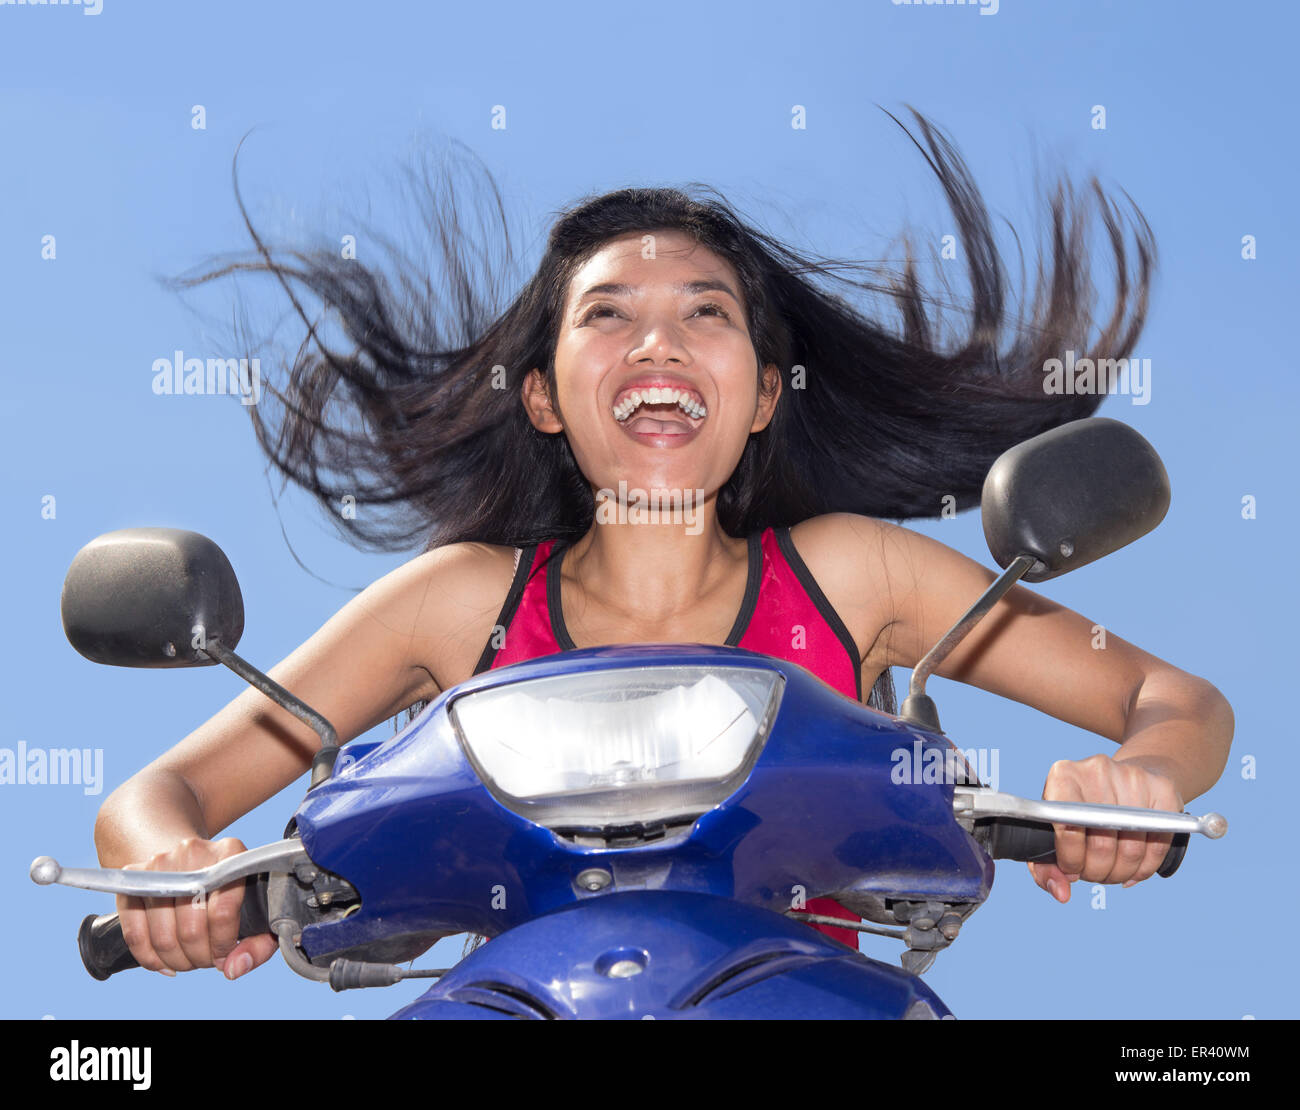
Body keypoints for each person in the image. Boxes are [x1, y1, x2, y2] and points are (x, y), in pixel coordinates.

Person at [94, 108, 1234, 981]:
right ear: (542, 397)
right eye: (606, 313)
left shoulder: (851, 573)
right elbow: (160, 794)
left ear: (758, 398)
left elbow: (1176, 700)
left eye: (706, 312)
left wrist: (1131, 781)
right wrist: (169, 871)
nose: (658, 340)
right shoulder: (454, 601)